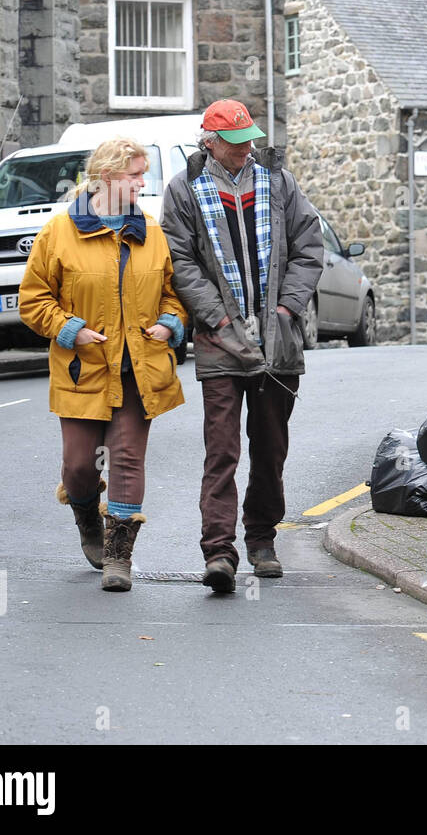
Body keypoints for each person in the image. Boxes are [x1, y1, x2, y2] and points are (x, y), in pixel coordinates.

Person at [161, 100, 322, 594]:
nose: (246, 147)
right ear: (210, 143)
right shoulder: (184, 189)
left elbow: (309, 246)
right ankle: (219, 552)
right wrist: (217, 317)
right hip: (218, 341)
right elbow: (180, 260)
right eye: (235, 141)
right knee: (222, 451)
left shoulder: (279, 182)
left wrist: (286, 311)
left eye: (249, 137)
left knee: (270, 448)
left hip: (278, 340)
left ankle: (261, 540)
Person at [19, 137, 187, 592]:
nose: (142, 182)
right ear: (109, 177)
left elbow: (172, 290)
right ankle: (88, 519)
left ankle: (119, 557)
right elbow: (33, 300)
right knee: (79, 467)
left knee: (127, 459)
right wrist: (70, 329)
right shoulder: (60, 232)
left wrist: (171, 323)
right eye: (135, 175)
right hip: (84, 369)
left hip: (139, 369)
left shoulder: (150, 230)